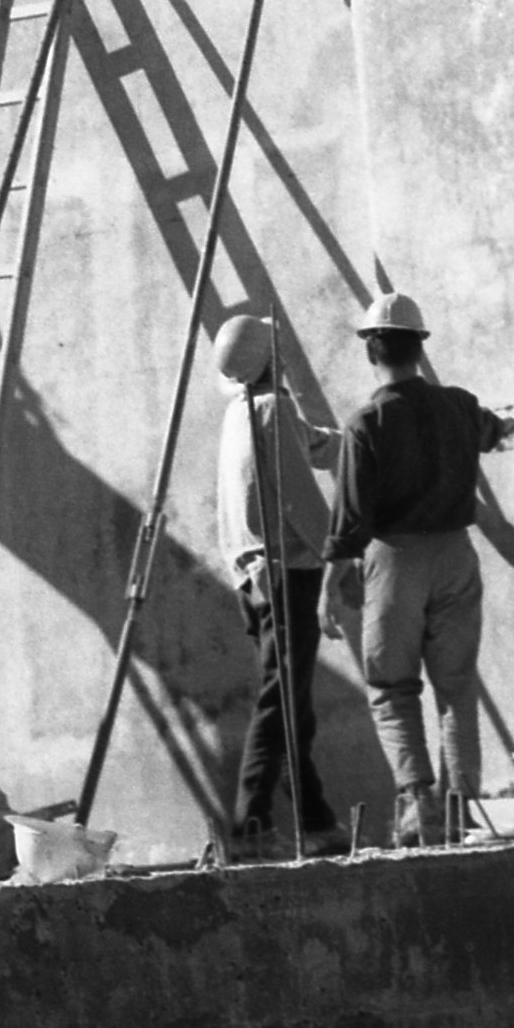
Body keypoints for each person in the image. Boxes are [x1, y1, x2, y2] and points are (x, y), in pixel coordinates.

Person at [327, 284, 514, 845]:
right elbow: (495, 431)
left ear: (370, 350)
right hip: (457, 554)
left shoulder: (366, 423)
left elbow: (352, 514)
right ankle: (460, 810)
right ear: (419, 347)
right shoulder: (459, 404)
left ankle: (417, 807)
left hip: (396, 560)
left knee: (391, 686)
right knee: (455, 686)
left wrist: (332, 577)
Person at [209, 312, 344, 857]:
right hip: (289, 573)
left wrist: (352, 438)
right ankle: (250, 823)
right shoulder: (275, 408)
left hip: (251, 575)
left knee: (290, 702)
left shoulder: (239, 415)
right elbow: (296, 494)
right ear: (269, 358)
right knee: (281, 700)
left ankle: (314, 819)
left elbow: (306, 446)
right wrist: (338, 552)